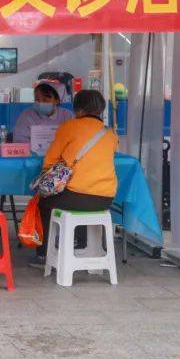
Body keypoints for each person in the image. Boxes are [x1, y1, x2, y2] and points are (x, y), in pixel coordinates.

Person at [31, 89, 118, 269]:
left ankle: (44, 254)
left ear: (77, 110)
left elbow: (49, 162)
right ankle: (81, 243)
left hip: (75, 196)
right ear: (100, 109)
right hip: (105, 199)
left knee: (43, 201)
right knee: (77, 198)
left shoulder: (69, 127)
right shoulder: (110, 133)